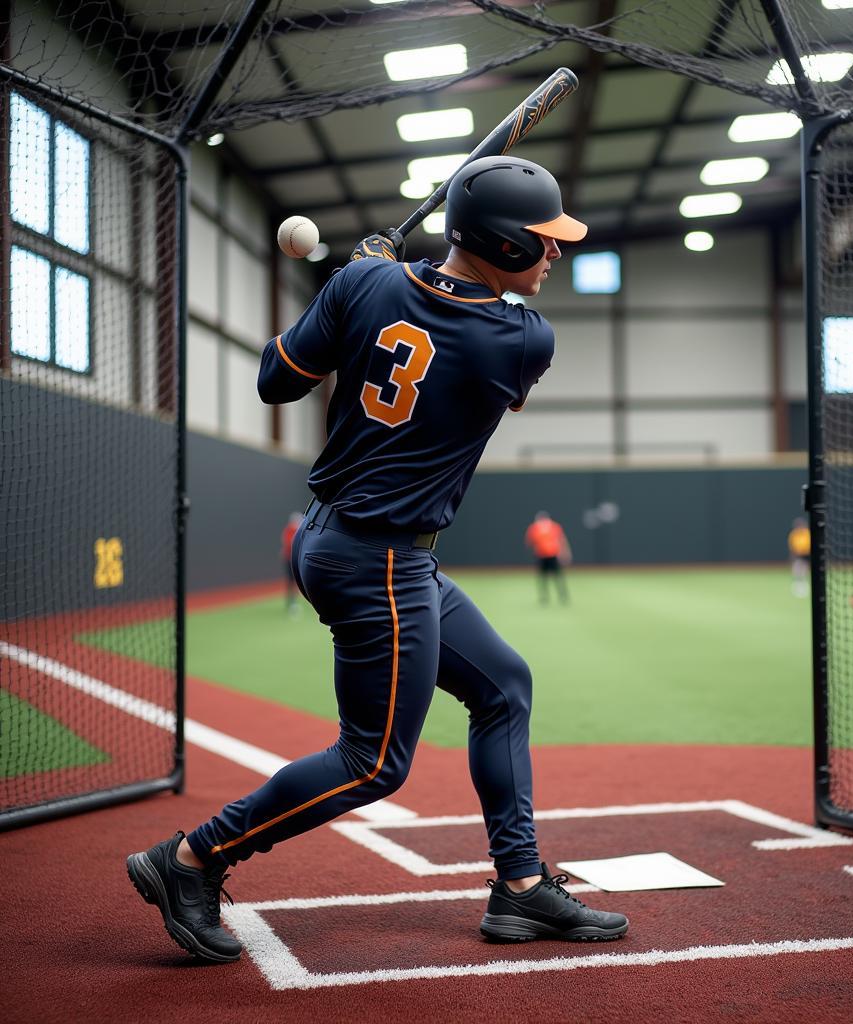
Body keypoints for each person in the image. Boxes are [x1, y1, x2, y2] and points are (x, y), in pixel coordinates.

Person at [126, 156, 628, 962]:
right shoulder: (524, 338)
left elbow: (275, 380)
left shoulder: (367, 287)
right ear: (500, 244)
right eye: (543, 241)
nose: (554, 254)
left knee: (503, 686)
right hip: (379, 562)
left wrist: (355, 283)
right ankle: (190, 860)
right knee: (372, 763)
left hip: (353, 542)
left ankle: (521, 888)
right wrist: (381, 281)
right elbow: (451, 323)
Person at [525, 510, 571, 605]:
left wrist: (564, 553)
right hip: (542, 555)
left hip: (552, 555)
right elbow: (530, 541)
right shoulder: (534, 528)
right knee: (543, 578)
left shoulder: (554, 527)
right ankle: (544, 597)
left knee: (557, 577)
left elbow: (561, 540)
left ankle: (562, 595)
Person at [281, 512, 303, 614]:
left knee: (299, 582)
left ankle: (294, 601)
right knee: (291, 582)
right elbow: (290, 544)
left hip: (297, 560)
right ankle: (292, 603)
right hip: (289, 560)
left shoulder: (300, 530)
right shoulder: (290, 530)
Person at [788, 516, 811, 597]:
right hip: (798, 554)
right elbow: (792, 547)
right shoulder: (794, 534)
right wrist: (792, 557)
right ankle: (797, 585)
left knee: (804, 570)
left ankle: (803, 585)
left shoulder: (807, 532)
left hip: (807, 554)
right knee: (797, 570)